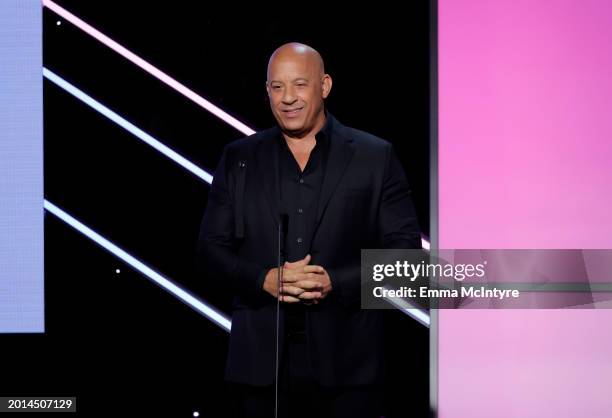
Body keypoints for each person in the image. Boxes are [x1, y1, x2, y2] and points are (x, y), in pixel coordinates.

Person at [197, 42, 421, 418]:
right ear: (266, 90)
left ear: (325, 85)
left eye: (299, 84)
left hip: (349, 368)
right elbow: (208, 252)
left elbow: (407, 256)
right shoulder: (239, 158)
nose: (288, 98)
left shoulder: (374, 156)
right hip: (260, 371)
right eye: (276, 87)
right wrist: (264, 279)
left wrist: (336, 281)